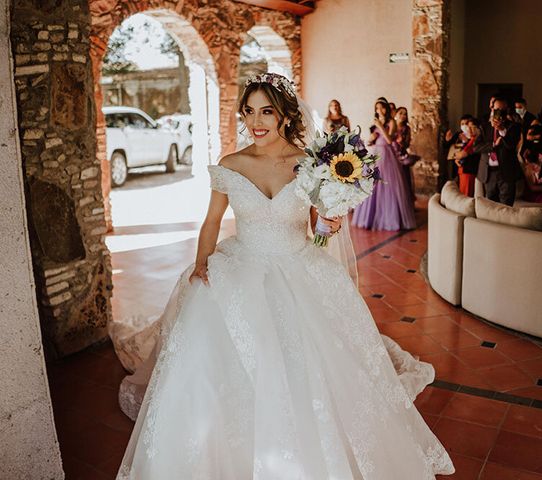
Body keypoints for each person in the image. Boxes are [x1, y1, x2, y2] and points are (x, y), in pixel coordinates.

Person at [114, 73, 454, 479]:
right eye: (250, 111)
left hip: (299, 266)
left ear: (284, 116)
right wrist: (202, 263)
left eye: (266, 111)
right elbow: (211, 223)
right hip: (239, 269)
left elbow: (319, 233)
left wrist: (330, 222)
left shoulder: (311, 164)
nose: (256, 121)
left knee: (308, 367)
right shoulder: (230, 165)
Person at [352, 99, 417, 230]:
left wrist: (381, 127)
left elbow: (389, 140)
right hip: (375, 152)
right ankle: (369, 217)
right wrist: (371, 138)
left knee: (387, 185)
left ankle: (389, 218)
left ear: (386, 109)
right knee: (372, 184)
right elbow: (372, 140)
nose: (379, 110)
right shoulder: (376, 122)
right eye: (377, 108)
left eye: (382, 108)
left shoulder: (391, 122)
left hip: (387, 154)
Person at [470, 96, 521, 206]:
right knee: (490, 206)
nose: (499, 113)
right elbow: (476, 147)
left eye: (502, 110)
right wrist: (493, 145)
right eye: (496, 109)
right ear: (492, 109)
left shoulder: (514, 127)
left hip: (506, 172)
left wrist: (502, 130)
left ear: (507, 110)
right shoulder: (484, 126)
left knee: (506, 207)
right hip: (489, 172)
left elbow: (511, 145)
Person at [393, 106, 418, 201]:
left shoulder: (406, 128)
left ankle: (405, 201)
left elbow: (407, 144)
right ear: (396, 114)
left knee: (404, 179)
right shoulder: (391, 126)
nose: (403, 115)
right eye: (401, 113)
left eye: (405, 114)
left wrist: (401, 142)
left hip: (402, 155)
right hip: (391, 154)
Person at [454, 117, 482, 197]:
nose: (469, 130)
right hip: (464, 170)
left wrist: (456, 156)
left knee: (466, 197)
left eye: (471, 127)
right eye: (468, 127)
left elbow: (462, 154)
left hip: (469, 171)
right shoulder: (471, 139)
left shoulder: (475, 140)